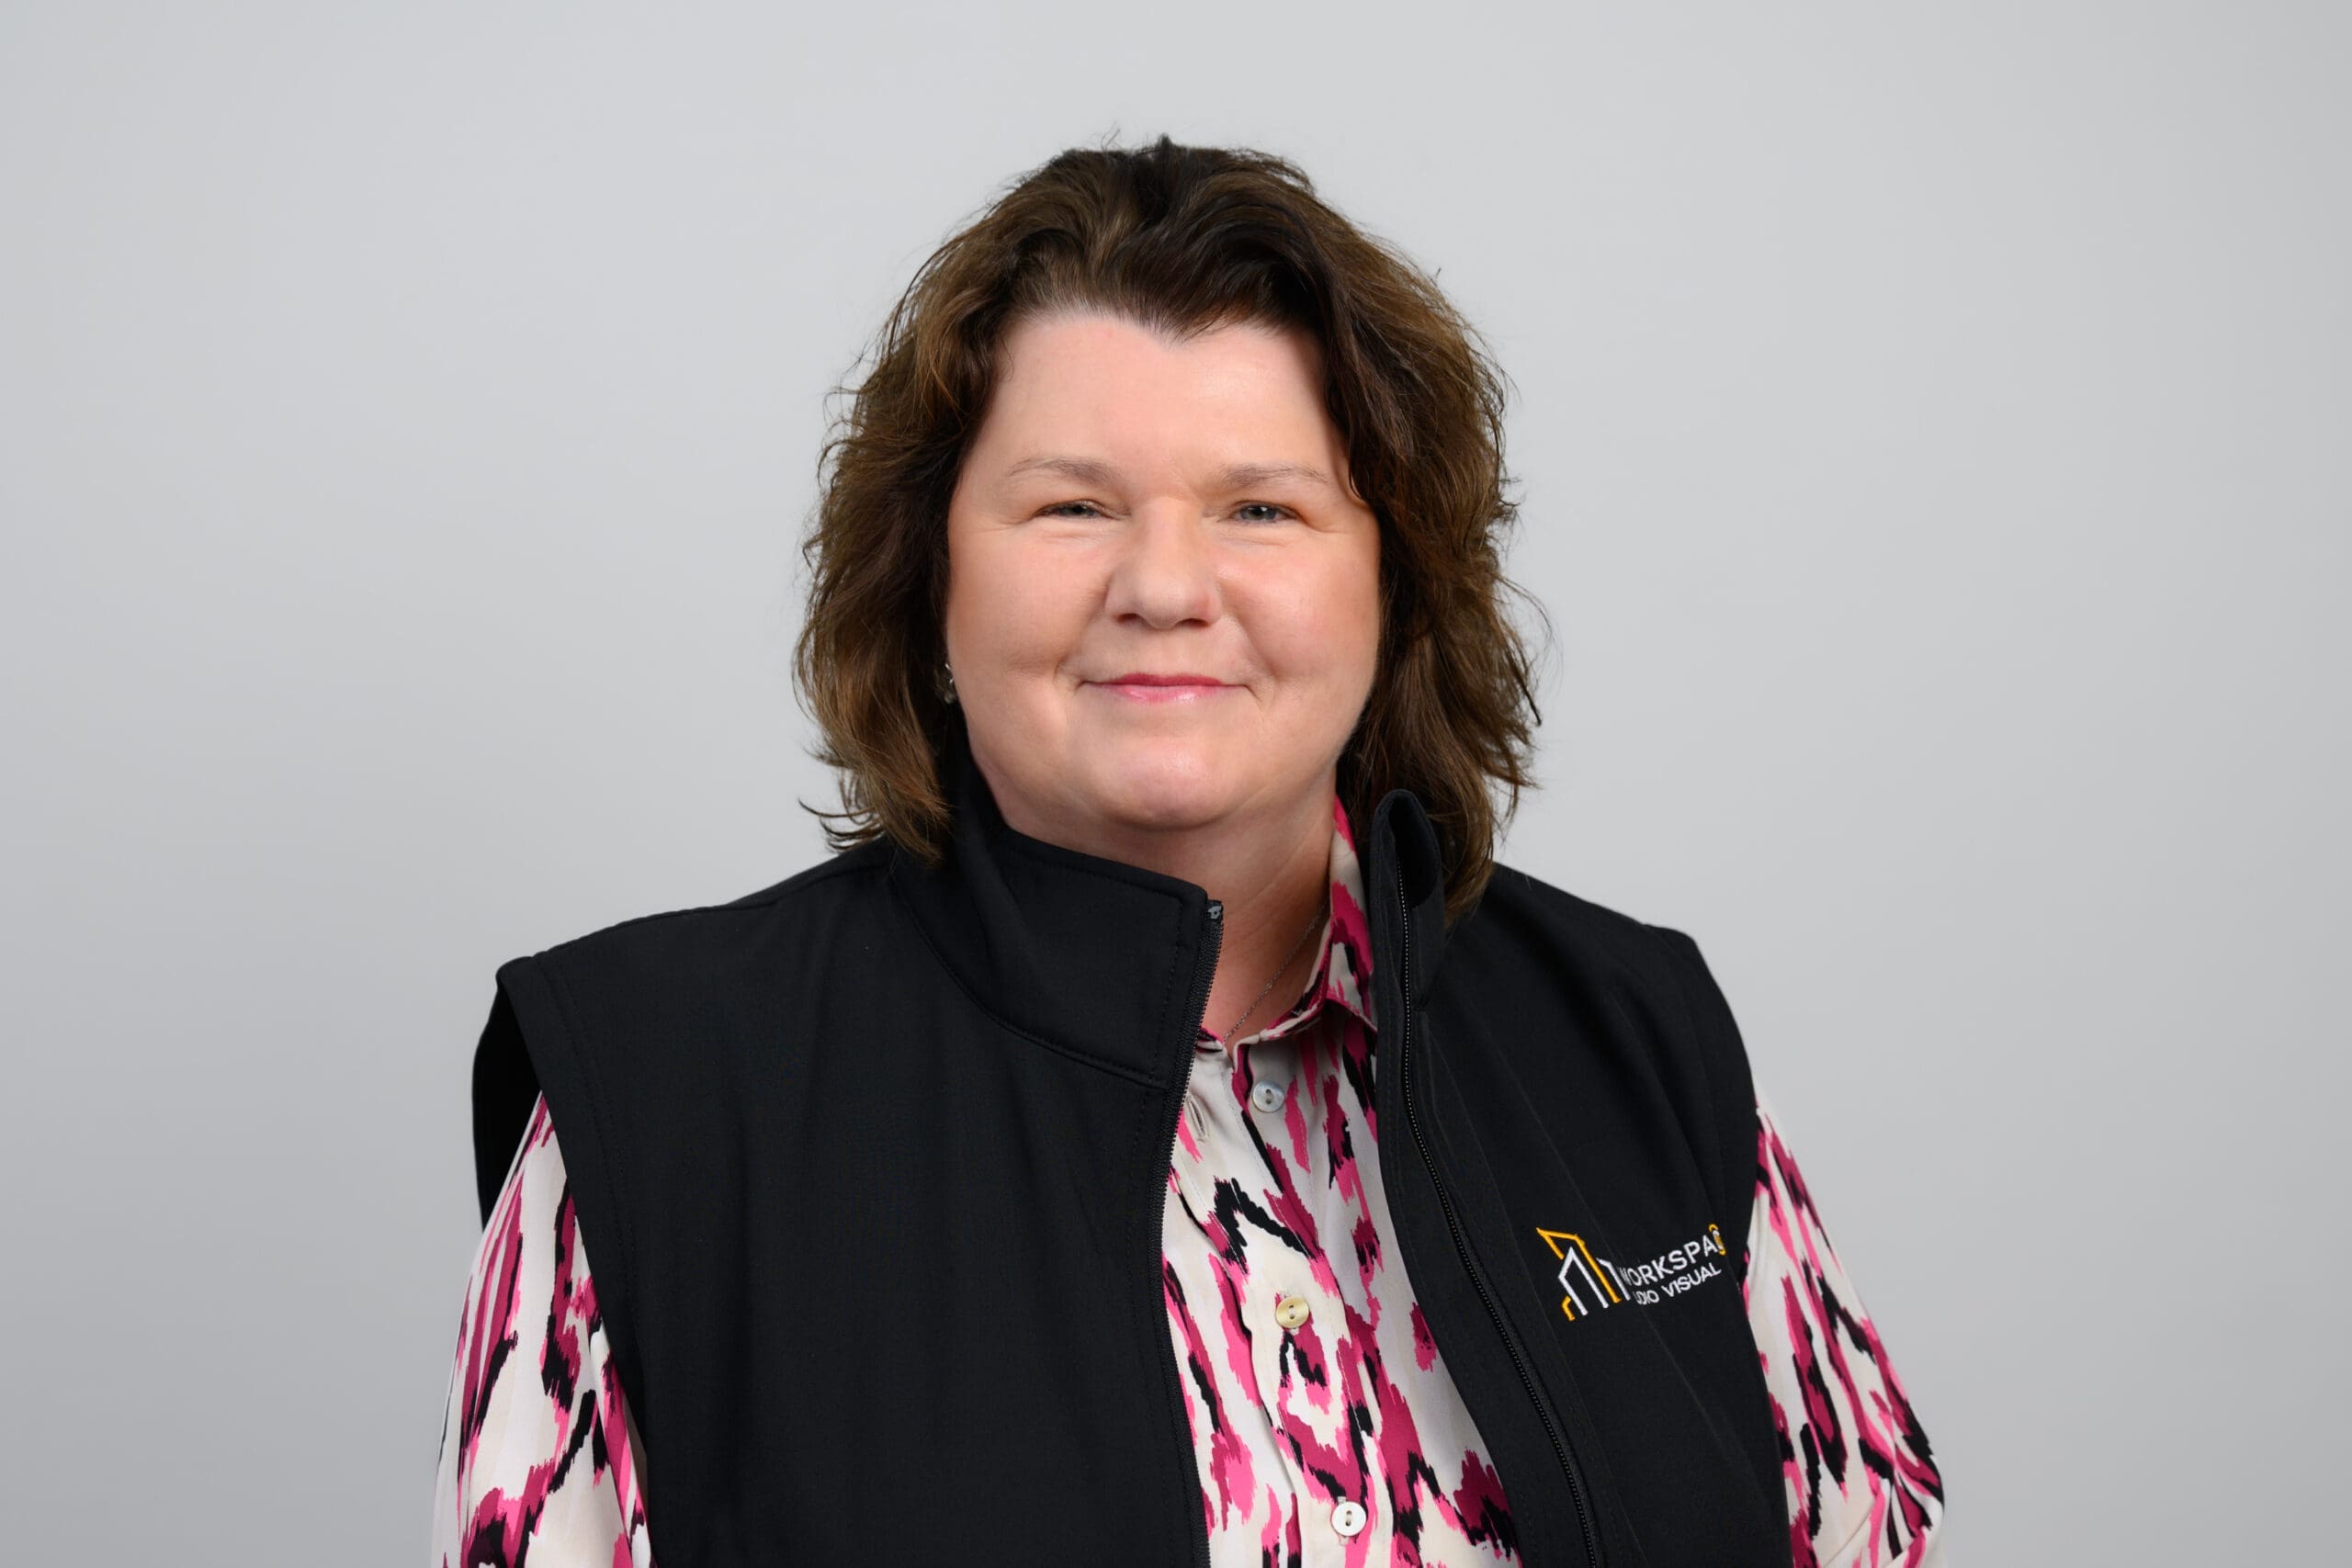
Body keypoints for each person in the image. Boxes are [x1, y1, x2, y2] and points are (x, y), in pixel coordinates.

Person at [429, 136, 1945, 1568]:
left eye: (1262, 509)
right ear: (931, 579)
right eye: (1073, 503)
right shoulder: (662, 1097)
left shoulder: (1635, 1033)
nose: (1165, 584)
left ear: (1395, 586)